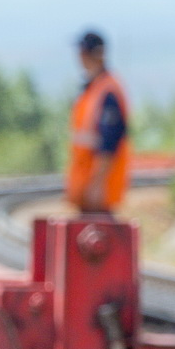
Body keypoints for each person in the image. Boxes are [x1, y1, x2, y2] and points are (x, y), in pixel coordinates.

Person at [67, 28, 130, 215]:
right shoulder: (92, 89)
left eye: (84, 53)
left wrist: (97, 184)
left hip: (99, 192)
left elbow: (109, 142)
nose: (81, 58)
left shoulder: (107, 91)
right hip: (86, 188)